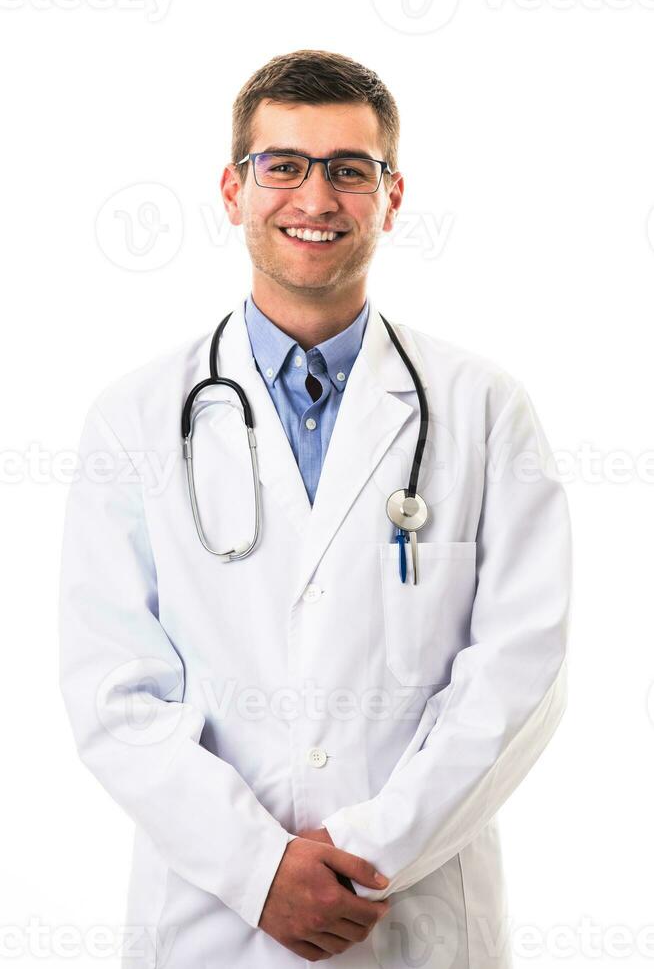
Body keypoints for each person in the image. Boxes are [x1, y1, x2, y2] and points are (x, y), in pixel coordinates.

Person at [58, 49, 572, 968]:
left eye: (349, 169)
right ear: (233, 188)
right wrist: (257, 870)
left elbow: (521, 672)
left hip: (411, 921)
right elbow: (114, 693)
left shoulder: (485, 407)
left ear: (393, 194)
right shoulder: (134, 415)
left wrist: (369, 855)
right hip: (210, 923)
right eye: (283, 165)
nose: (315, 196)